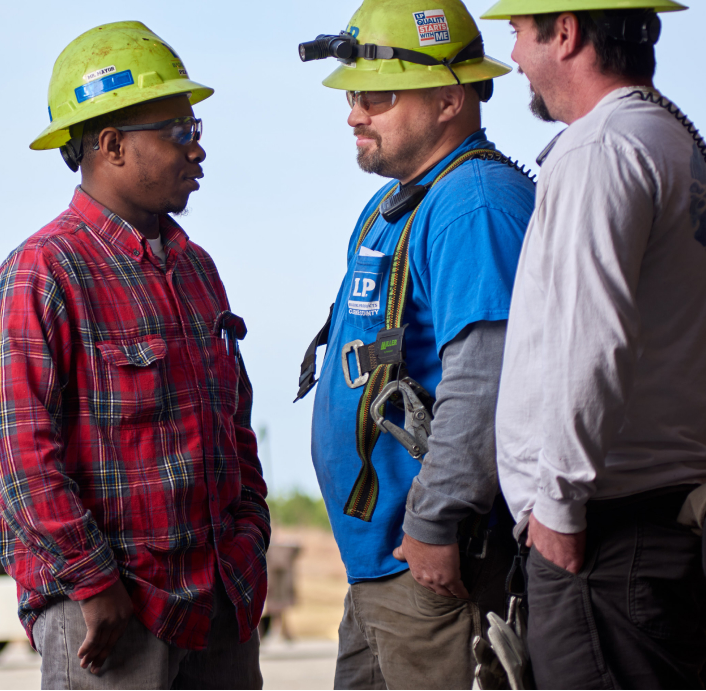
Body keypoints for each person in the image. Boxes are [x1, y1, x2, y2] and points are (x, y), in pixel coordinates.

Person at [0, 22, 268, 690]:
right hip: (111, 613)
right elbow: (11, 447)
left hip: (217, 603)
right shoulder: (44, 271)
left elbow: (235, 427)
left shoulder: (198, 271)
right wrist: (90, 579)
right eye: (180, 131)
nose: (199, 150)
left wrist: (249, 539)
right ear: (110, 146)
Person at [480, 0, 706, 687]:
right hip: (661, 532)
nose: (510, 57)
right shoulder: (670, 142)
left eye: (515, 32)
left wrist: (557, 512)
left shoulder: (599, 150)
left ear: (563, 31)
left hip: (605, 540)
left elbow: (586, 342)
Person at [293, 1, 536, 687]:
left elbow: (485, 382)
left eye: (376, 95)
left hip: (433, 563)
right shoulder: (397, 202)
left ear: (448, 99)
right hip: (381, 566)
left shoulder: (475, 204)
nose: (353, 113)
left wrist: (433, 520)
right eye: (351, 96)